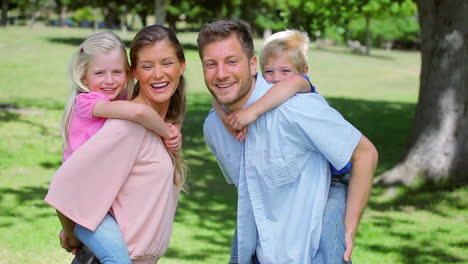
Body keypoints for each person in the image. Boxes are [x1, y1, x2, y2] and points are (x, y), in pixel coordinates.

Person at [198, 19, 378, 264]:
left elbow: (365, 153)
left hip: (309, 254)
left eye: (231, 61)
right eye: (211, 64)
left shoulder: (295, 109)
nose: (221, 73)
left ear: (252, 64)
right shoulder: (214, 127)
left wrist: (348, 229)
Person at [45, 25, 188, 264]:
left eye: (167, 63)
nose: (158, 74)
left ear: (182, 66)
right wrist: (72, 233)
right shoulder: (127, 127)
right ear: (136, 72)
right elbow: (64, 183)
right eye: (147, 66)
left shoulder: (154, 126)